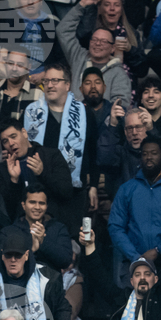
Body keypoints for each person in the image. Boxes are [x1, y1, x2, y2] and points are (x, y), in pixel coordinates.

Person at [22, 61, 99, 236]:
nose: (50, 85)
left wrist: (93, 185)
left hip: (73, 192)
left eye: (55, 80)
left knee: (69, 243)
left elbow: (93, 152)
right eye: (47, 81)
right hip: (39, 189)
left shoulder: (85, 113)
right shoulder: (31, 112)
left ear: (67, 84)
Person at [108, 134, 161, 287]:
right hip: (132, 263)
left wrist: (158, 250)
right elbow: (115, 227)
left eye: (154, 153)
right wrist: (136, 257)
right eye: (145, 153)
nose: (148, 157)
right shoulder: (127, 189)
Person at [0, 122, 74, 232]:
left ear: (24, 133)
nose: (11, 143)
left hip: (53, 227)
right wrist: (14, 181)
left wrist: (42, 173)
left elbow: (66, 192)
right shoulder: (4, 168)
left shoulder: (51, 155)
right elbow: (8, 209)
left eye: (13, 137)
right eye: (5, 141)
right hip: (21, 229)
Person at [59, 0, 131, 104]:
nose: (97, 44)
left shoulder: (118, 73)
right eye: (95, 40)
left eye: (103, 41)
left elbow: (121, 104)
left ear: (112, 48)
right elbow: (63, 31)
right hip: (74, 118)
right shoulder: (78, 56)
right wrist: (82, 4)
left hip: (102, 119)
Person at [0, 47, 45, 126]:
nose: (14, 68)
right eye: (10, 64)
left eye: (20, 65)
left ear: (28, 67)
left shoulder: (37, 96)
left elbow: (37, 130)